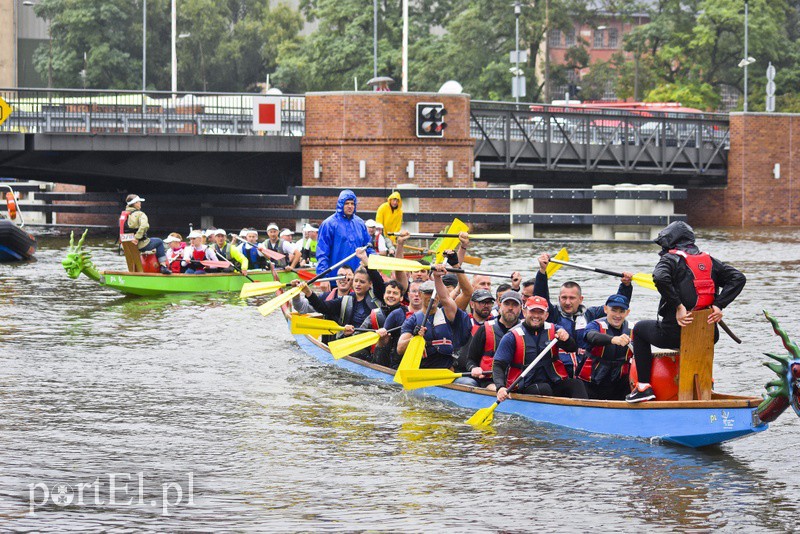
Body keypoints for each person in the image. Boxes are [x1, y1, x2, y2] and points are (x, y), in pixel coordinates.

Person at [627, 221, 746, 403]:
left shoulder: (670, 259)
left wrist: (678, 306)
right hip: (708, 335)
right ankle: (707, 380)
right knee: (698, 339)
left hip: (675, 332)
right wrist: (719, 305)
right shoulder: (709, 260)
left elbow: (659, 277)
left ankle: (643, 387)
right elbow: (738, 278)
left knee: (640, 330)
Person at [535, 253, 633, 378]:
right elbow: (540, 297)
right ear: (559, 299)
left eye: (572, 298)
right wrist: (542, 272)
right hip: (561, 371)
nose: (567, 302)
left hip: (587, 370)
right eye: (564, 298)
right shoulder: (552, 314)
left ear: (581, 299)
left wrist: (625, 286)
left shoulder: (591, 314)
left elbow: (616, 308)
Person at [493, 296, 588, 400]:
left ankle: (582, 412)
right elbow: (498, 365)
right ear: (524, 313)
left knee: (576, 384)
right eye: (532, 312)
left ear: (546, 315)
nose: (536, 316)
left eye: (540, 312)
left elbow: (571, 348)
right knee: (543, 389)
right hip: (526, 384)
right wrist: (500, 387)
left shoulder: (555, 329)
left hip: (553, 380)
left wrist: (567, 338)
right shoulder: (511, 336)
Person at [398, 265, 472, 370]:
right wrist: (414, 338)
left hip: (446, 371)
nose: (433, 297)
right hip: (422, 371)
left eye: (435, 293)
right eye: (428, 293)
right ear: (420, 294)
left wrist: (438, 277)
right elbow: (400, 349)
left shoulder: (448, 314)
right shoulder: (412, 320)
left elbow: (450, 296)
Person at [456, 290, 523, 389]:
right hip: (490, 380)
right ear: (500, 306)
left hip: (517, 381)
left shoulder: (526, 331)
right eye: (507, 304)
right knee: (495, 389)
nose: (510, 308)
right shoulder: (485, 329)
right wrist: (474, 368)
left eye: (515, 305)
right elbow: (470, 360)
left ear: (521, 309)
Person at [581, 294, 635, 400]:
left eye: (622, 311)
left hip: (618, 381)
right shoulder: (594, 325)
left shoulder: (634, 329)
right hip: (593, 382)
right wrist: (613, 339)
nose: (617, 315)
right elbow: (591, 336)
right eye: (614, 310)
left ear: (627, 312)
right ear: (606, 309)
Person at [316, 190, 374, 276]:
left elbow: (368, 248)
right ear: (340, 204)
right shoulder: (328, 224)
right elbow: (322, 253)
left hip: (357, 277)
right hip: (335, 277)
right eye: (347, 203)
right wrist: (323, 277)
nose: (350, 206)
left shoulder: (360, 223)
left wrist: (375, 266)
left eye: (352, 203)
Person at [358, 280, 408, 364]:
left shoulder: (406, 314)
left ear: (401, 298)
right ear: (384, 295)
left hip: (399, 359)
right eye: (388, 292)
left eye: (395, 293)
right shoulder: (375, 314)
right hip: (378, 357)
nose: (391, 296)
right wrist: (347, 334)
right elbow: (359, 334)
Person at [120, 194, 171, 274]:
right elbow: (144, 226)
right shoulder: (140, 214)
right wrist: (136, 238)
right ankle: (163, 266)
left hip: (126, 245)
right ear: (135, 203)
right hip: (139, 244)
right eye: (139, 202)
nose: (140, 203)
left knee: (152, 242)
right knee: (159, 241)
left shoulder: (124, 214)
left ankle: (133, 270)